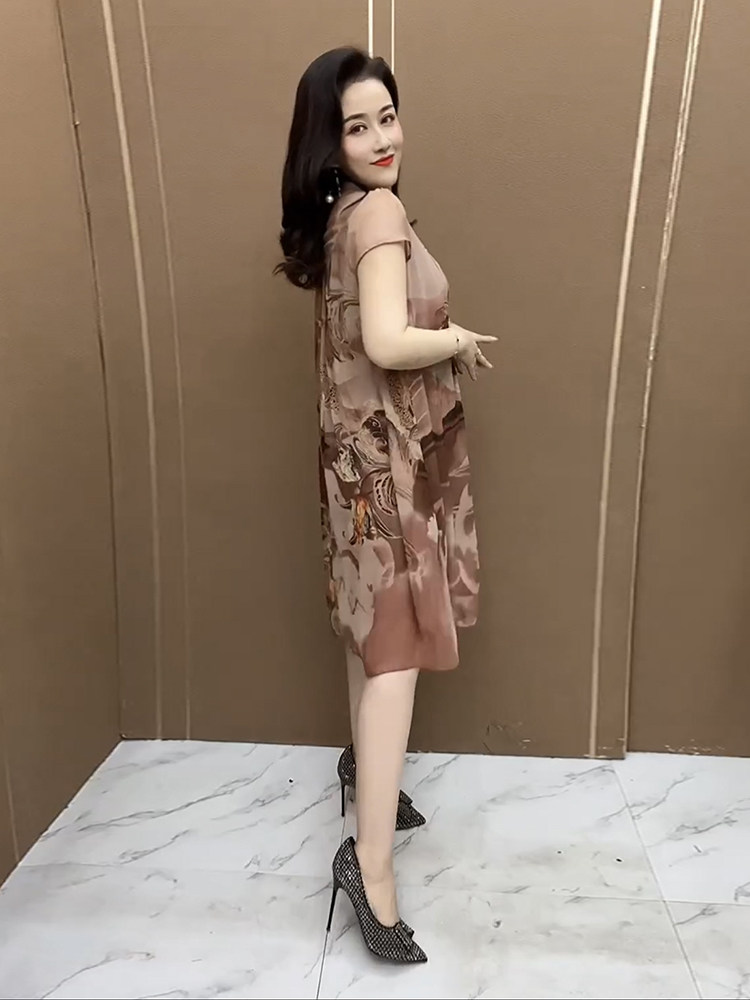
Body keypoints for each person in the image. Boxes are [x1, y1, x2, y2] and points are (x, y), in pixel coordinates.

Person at [276, 46, 495, 964]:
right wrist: (456, 338)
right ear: (328, 142)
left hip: (353, 463)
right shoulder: (379, 211)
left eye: (387, 118)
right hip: (388, 471)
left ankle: (366, 777)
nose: (380, 139)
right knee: (395, 652)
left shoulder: (342, 211)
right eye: (356, 126)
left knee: (369, 634)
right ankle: (368, 870)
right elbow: (386, 339)